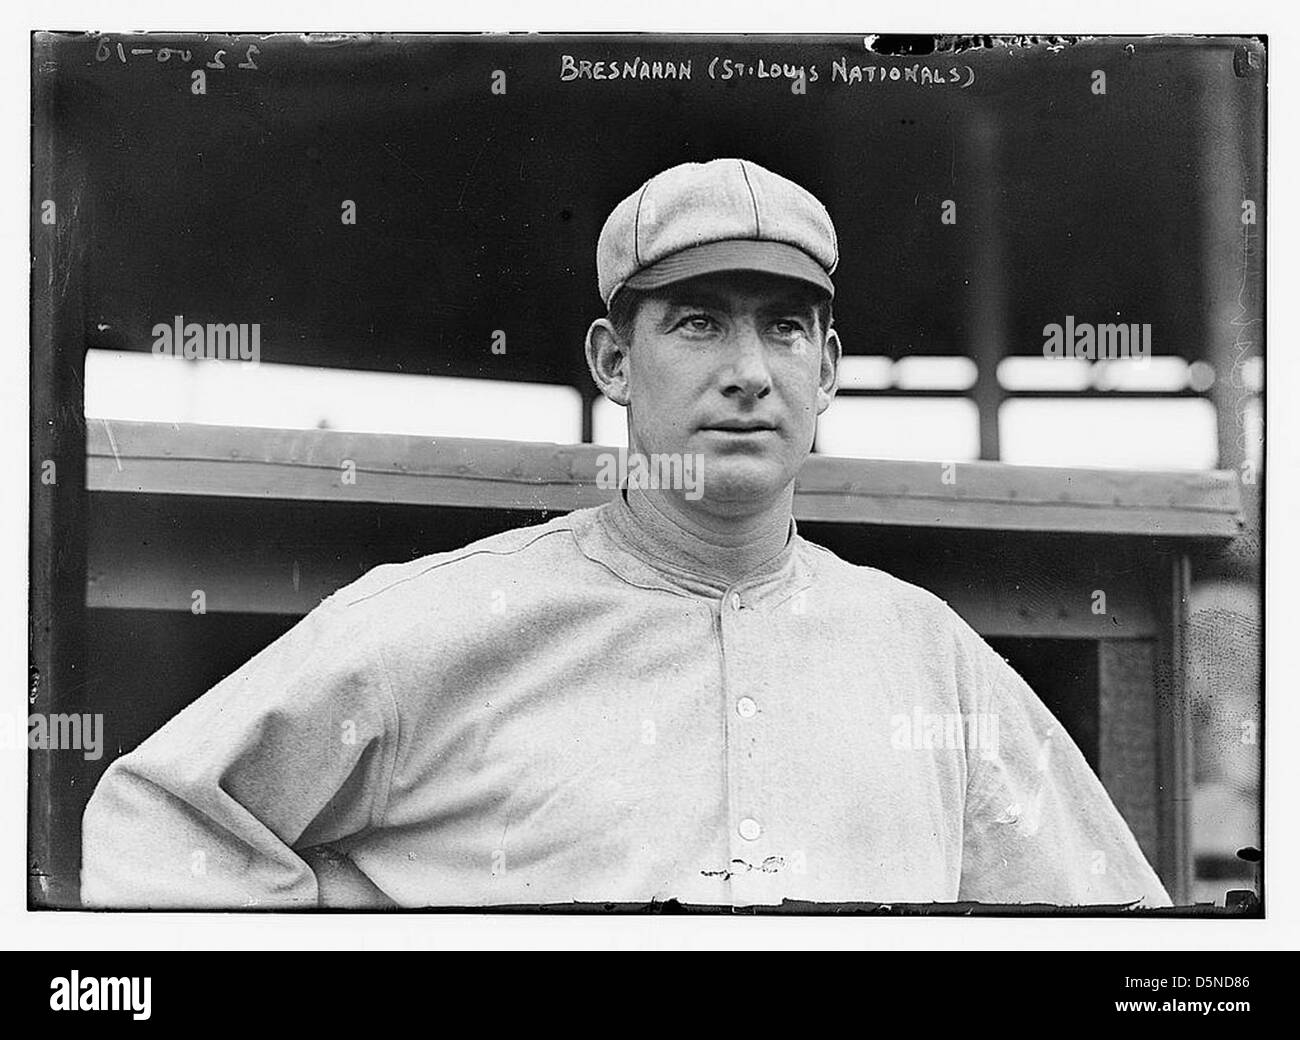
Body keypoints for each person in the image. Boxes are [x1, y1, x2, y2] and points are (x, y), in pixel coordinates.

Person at [81, 158, 1171, 909]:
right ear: (611, 360)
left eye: (783, 325)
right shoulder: (434, 624)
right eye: (697, 320)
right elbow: (158, 824)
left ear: (827, 368)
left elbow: (1112, 932)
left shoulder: (929, 657)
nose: (748, 369)